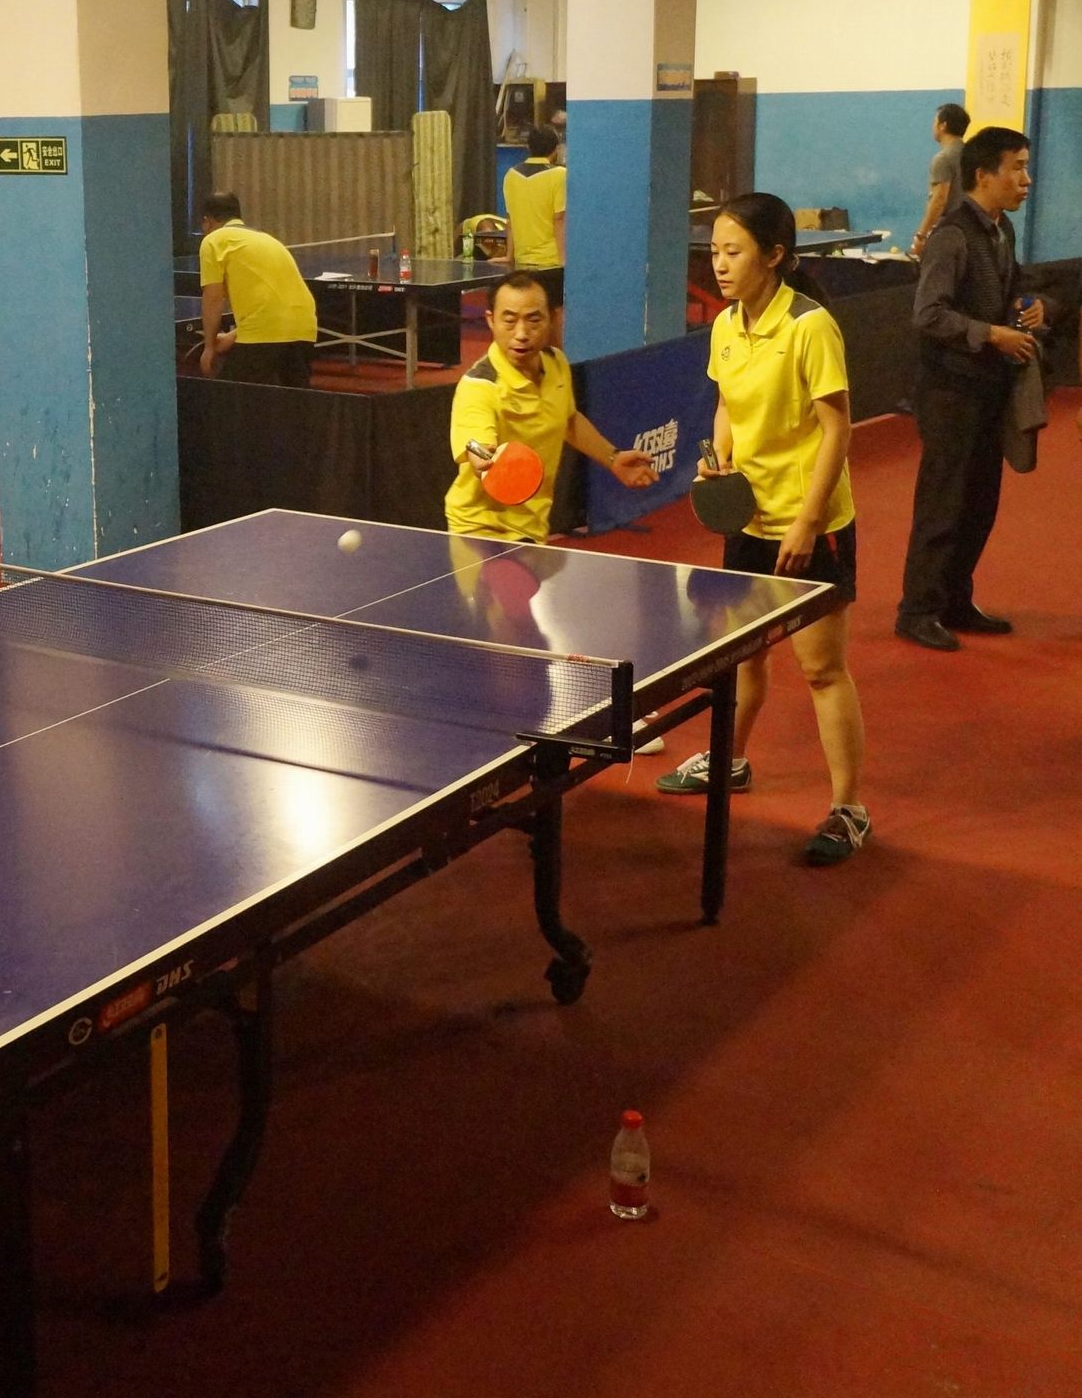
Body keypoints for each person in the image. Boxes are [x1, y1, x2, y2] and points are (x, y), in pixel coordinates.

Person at [656, 193, 870, 867]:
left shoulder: (810, 326)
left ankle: (849, 809)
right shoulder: (726, 324)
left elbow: (837, 429)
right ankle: (731, 760)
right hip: (749, 516)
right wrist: (718, 457)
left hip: (810, 522)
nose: (719, 264)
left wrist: (806, 520)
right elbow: (727, 404)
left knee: (822, 669)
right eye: (715, 251)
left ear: (774, 255)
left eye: (734, 252)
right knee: (743, 655)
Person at [896, 125, 1053, 651]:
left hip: (988, 390)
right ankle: (917, 611)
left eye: (1026, 167)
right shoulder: (952, 236)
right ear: (984, 175)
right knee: (943, 504)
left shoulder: (1001, 230)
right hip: (949, 393)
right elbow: (928, 314)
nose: (1026, 179)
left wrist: (1034, 307)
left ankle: (955, 601)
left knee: (979, 504)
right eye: (1017, 168)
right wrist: (991, 334)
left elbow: (1012, 288)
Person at [445, 271, 655, 546]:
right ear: (490, 321)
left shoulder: (556, 362)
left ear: (552, 319)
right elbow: (478, 448)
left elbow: (568, 420)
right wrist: (482, 460)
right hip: (482, 530)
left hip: (532, 525)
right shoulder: (480, 385)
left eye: (533, 320)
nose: (521, 334)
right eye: (509, 320)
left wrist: (613, 458)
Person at [194, 192, 319, 387]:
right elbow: (274, 301)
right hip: (305, 326)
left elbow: (213, 297)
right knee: (293, 400)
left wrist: (209, 347)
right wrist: (232, 336)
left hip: (265, 329)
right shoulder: (268, 239)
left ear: (207, 221)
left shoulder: (213, 240)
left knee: (228, 397)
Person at [502, 126, 567, 301]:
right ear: (555, 149)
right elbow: (559, 219)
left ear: (528, 147)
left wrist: (509, 256)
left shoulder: (510, 175)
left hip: (522, 264)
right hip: (551, 263)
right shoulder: (560, 175)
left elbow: (510, 220)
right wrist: (563, 261)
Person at [910, 102, 971, 258]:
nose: (933, 126)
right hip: (972, 229)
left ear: (943, 126)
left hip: (948, 232)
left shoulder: (943, 159)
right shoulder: (972, 155)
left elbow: (939, 200)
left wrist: (921, 235)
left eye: (935, 122)